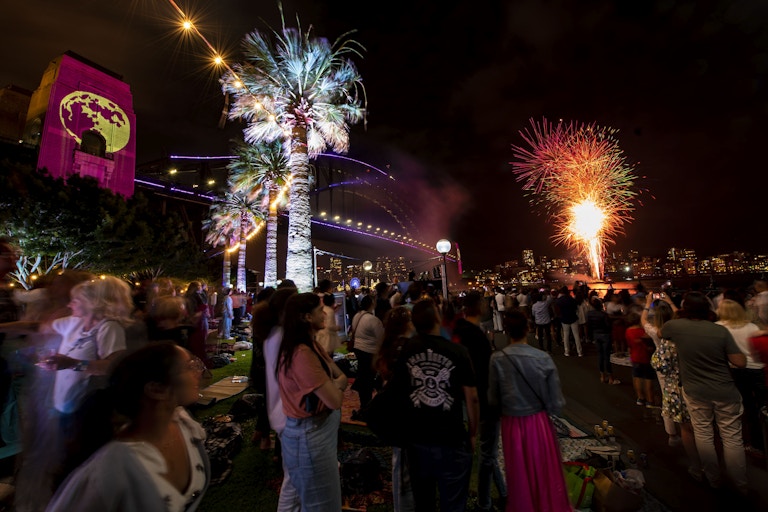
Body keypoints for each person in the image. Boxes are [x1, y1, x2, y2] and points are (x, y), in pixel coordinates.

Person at [46, 342, 210, 511]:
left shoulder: (183, 424)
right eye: (190, 366)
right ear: (156, 390)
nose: (199, 371)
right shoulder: (112, 467)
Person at [391, 298, 479, 512]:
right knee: (454, 502)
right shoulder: (457, 352)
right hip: (451, 437)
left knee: (423, 502)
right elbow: (472, 397)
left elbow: (400, 390)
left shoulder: (407, 350)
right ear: (437, 318)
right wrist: (474, 432)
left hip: (417, 439)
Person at [661, 291, 748, 494]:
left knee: (703, 433)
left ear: (684, 309)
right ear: (708, 309)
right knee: (732, 437)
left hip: (695, 391)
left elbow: (661, 333)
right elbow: (740, 362)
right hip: (724, 391)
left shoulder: (675, 327)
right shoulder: (719, 331)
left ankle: (713, 479)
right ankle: (740, 485)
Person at [488, 310, 570, 512]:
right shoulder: (543, 358)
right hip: (538, 422)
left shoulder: (497, 359)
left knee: (519, 473)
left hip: (511, 424)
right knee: (544, 470)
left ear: (506, 331)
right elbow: (556, 403)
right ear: (528, 329)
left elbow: (492, 399)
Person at [277, 293, 348, 512]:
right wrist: (335, 384)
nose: (325, 313)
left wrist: (335, 383)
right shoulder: (302, 354)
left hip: (313, 434)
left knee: (302, 499)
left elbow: (341, 375)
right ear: (307, 317)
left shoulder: (311, 346)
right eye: (320, 310)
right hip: (310, 439)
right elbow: (335, 399)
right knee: (323, 505)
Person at [452, 291, 506, 512]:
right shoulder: (475, 336)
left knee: (488, 454)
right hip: (485, 401)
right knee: (487, 454)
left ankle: (503, 494)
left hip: (471, 400)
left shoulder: (461, 331)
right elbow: (482, 374)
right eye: (484, 301)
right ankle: (485, 503)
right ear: (478, 306)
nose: (487, 304)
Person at [376, 307, 415, 512]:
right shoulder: (403, 348)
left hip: (397, 414)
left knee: (401, 464)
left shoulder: (389, 346)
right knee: (403, 470)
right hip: (404, 414)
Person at [716, 299, 764, 458]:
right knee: (762, 406)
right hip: (757, 369)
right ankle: (761, 440)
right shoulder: (752, 327)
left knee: (745, 407)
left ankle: (749, 441)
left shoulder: (719, 328)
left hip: (736, 371)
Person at [642, 293, 678, 443]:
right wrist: (669, 301)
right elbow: (678, 314)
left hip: (663, 368)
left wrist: (648, 303)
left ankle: (672, 434)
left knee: (666, 397)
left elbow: (643, 321)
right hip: (679, 365)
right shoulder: (678, 328)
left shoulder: (656, 332)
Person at [349, 295, 384, 416]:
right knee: (369, 379)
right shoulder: (373, 320)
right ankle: (368, 405)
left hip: (358, 349)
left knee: (364, 376)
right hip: (370, 352)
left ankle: (364, 403)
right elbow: (381, 338)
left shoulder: (357, 316)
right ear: (372, 304)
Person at [625, 310, 655, 407]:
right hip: (646, 357)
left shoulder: (628, 331)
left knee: (637, 377)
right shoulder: (644, 332)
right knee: (648, 378)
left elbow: (629, 344)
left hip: (635, 357)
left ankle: (640, 398)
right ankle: (650, 400)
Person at [587, 297, 619, 385]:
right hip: (605, 335)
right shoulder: (603, 315)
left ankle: (602, 375)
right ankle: (611, 377)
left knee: (600, 356)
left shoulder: (589, 314)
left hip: (596, 335)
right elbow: (608, 325)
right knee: (606, 356)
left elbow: (589, 325)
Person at [555, 286, 582, 357]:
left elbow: (557, 309)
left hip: (564, 318)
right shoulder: (572, 299)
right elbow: (576, 308)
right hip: (573, 318)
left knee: (565, 335)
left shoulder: (559, 300)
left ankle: (567, 351)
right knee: (576, 335)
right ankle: (579, 352)